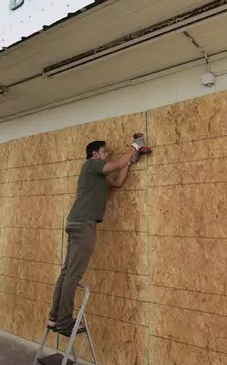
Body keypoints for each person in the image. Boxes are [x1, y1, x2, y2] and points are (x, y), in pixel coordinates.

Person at [47, 134, 150, 335]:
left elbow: (118, 181)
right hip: (84, 225)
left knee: (67, 272)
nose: (107, 155)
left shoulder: (98, 176)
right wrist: (135, 146)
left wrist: (130, 161)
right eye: (105, 152)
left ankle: (54, 318)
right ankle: (64, 321)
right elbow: (116, 163)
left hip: (77, 223)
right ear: (95, 154)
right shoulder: (91, 165)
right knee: (73, 275)